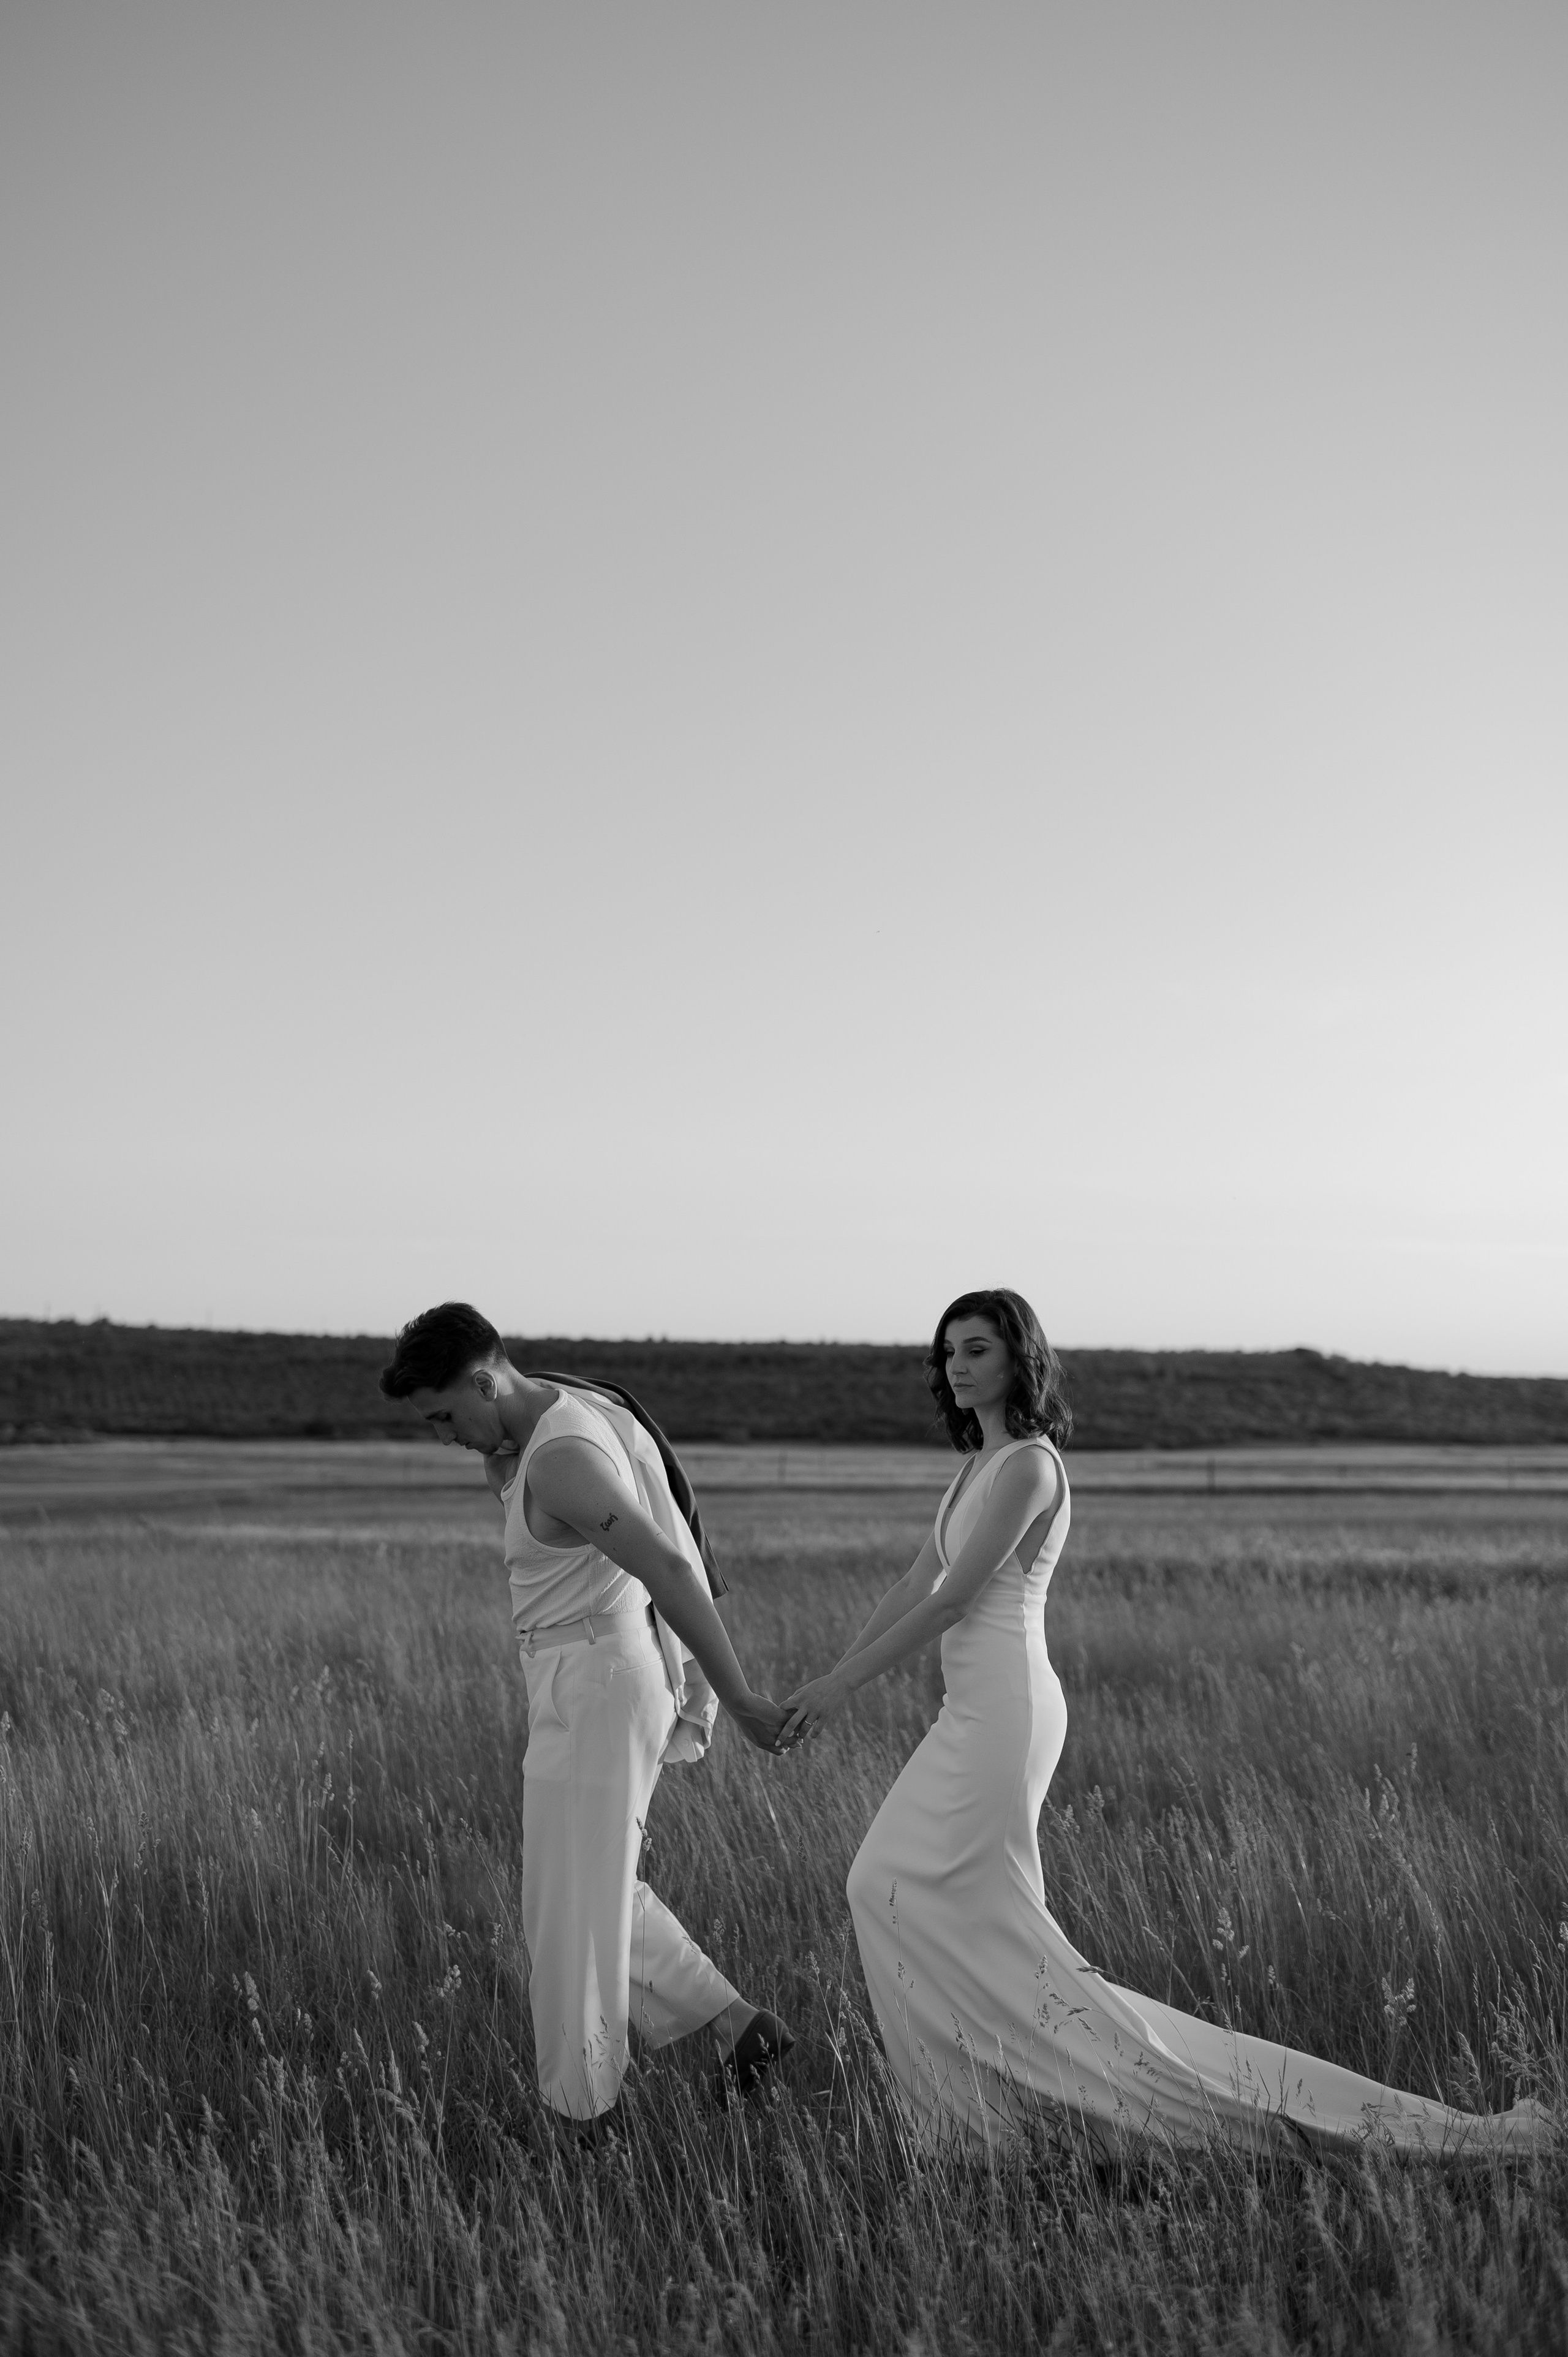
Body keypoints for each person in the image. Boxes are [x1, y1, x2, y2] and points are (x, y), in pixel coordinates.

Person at [780, 1288, 1544, 2160]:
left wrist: (843, 1691)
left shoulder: (1031, 1465)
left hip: (1008, 1714)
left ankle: (1086, 2110)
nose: (958, 1364)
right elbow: (915, 1583)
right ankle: (986, 2116)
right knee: (890, 1887)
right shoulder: (972, 1469)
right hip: (969, 1710)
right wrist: (829, 1675)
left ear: (1019, 1360)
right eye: (949, 1349)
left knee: (951, 1905)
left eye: (978, 1348)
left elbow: (956, 1600)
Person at [380, 1303, 793, 2121]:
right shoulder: (546, 1426)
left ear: (486, 1380)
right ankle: (741, 2028)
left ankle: (580, 2111)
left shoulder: (562, 1456)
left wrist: (737, 1695)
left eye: (445, 1415)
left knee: (575, 1915)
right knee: (577, 1894)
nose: (444, 1435)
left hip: (600, 1680)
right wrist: (504, 1465)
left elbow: (670, 1566)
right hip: (574, 1677)